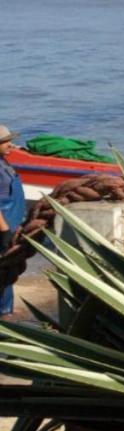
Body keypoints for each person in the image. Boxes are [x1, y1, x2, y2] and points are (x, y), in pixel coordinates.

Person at [0, 124, 26, 320]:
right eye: (5, 142)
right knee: (3, 270)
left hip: (13, 223)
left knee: (8, 270)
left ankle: (6, 310)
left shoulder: (4, 163)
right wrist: (4, 230)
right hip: (4, 225)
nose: (11, 145)